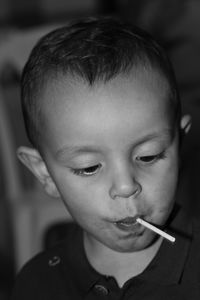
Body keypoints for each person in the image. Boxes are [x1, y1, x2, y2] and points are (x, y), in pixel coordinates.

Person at [11, 16, 199, 300]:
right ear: (45, 173)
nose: (125, 186)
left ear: (179, 141)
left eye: (148, 156)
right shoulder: (38, 284)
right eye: (89, 168)